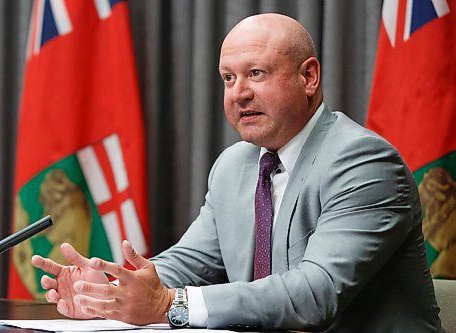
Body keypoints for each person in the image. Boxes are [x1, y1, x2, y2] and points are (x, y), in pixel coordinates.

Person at [31, 13, 443, 332]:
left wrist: (170, 305)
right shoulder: (235, 164)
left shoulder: (364, 162)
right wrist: (111, 290)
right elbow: (188, 263)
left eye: (256, 74)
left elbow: (315, 295)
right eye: (228, 78)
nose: (238, 92)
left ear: (309, 77)